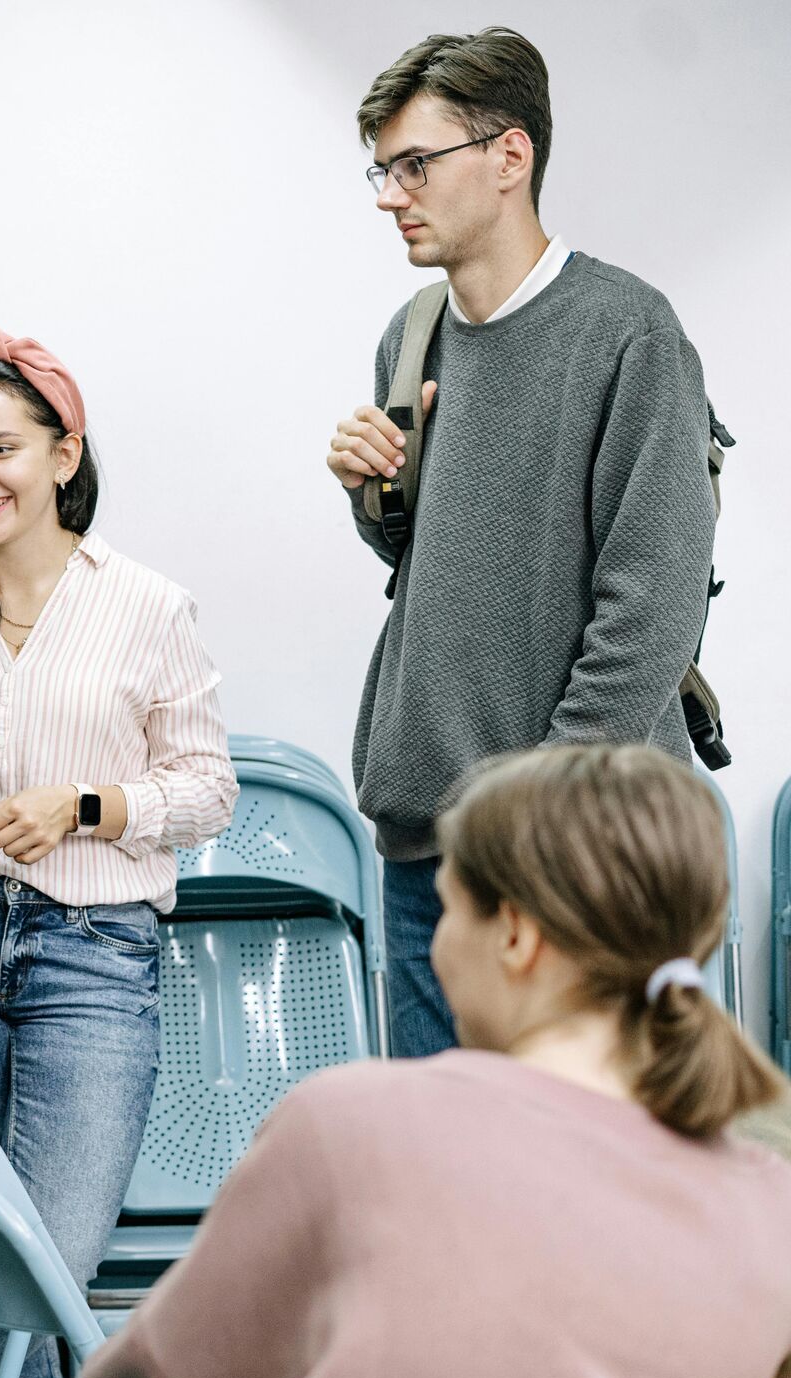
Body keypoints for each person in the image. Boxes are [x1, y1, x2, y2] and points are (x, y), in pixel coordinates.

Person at [72, 744, 791, 1378]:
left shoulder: (353, 1125)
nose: (437, 944)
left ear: (514, 934)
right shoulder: (770, 1202)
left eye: (448, 911)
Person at [322, 27, 718, 1057]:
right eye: (383, 167)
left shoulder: (627, 332)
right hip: (427, 854)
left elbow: (653, 611)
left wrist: (533, 819)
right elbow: (435, 565)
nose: (388, 193)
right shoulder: (408, 338)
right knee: (439, 1187)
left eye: (416, 164)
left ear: (510, 157)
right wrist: (376, 498)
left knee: (595, 1188)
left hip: (578, 857)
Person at [0, 322, 237, 1378]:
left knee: (42, 1261)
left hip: (93, 951)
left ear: (64, 454)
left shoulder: (149, 605)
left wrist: (83, 805)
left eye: (0, 449)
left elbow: (207, 791)